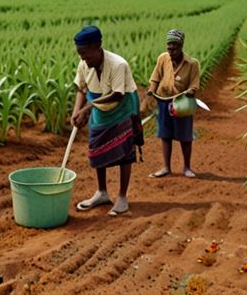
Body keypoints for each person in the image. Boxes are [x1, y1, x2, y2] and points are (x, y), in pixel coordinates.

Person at [71, 25, 144, 216]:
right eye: (80, 54)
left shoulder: (118, 64)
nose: (83, 59)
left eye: (86, 54)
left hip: (121, 107)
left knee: (124, 152)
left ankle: (122, 197)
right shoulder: (83, 64)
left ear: (98, 46)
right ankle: (101, 192)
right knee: (97, 150)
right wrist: (76, 110)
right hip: (97, 107)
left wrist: (87, 108)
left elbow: (117, 95)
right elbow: (81, 88)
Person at [147, 29, 200, 178]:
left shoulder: (192, 64)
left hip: (182, 103)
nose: (171, 50)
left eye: (174, 47)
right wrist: (152, 90)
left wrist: (190, 92)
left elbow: (195, 84)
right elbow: (155, 77)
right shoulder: (163, 58)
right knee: (165, 134)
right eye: (169, 46)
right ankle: (166, 167)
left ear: (181, 45)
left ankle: (187, 167)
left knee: (185, 136)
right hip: (164, 101)